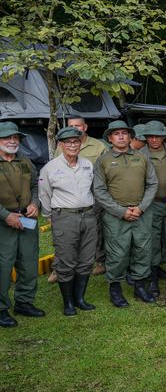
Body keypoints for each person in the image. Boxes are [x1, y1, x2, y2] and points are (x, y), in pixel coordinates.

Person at [93, 120, 158, 307]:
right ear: (110, 138)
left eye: (124, 133)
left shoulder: (142, 157)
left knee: (143, 250)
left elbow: (152, 183)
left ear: (130, 137)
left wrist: (141, 207)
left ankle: (140, 287)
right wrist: (121, 211)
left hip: (141, 213)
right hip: (116, 216)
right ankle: (115, 289)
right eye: (116, 133)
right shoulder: (103, 160)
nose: (121, 136)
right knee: (118, 253)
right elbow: (99, 190)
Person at [38, 126, 98, 316]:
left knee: (87, 258)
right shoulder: (50, 168)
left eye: (76, 141)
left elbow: (94, 189)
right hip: (64, 217)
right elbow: (44, 195)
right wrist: (51, 217)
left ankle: (80, 299)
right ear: (61, 145)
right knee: (66, 260)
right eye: (68, 142)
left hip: (88, 216)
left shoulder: (87, 164)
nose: (73, 145)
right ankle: (68, 303)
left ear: (81, 143)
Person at [54, 115, 108, 277]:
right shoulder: (61, 146)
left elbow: (104, 172)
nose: (75, 128)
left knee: (95, 230)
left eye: (78, 125)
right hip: (67, 196)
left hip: (92, 196)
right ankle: (59, 266)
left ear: (85, 127)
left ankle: (99, 261)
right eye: (71, 125)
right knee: (64, 232)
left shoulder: (99, 146)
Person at [0, 122, 42, 327]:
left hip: (26, 221)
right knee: (3, 266)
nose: (12, 141)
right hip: (2, 224)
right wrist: (5, 215)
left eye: (15, 138)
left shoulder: (25, 161)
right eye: (7, 138)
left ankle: (24, 302)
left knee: (28, 263)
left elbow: (35, 185)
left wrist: (35, 203)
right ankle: (1, 308)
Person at [140, 121, 166, 295]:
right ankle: (153, 277)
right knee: (153, 240)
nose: (154, 140)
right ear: (145, 138)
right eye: (150, 136)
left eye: (158, 136)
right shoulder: (140, 155)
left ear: (163, 136)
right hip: (150, 204)